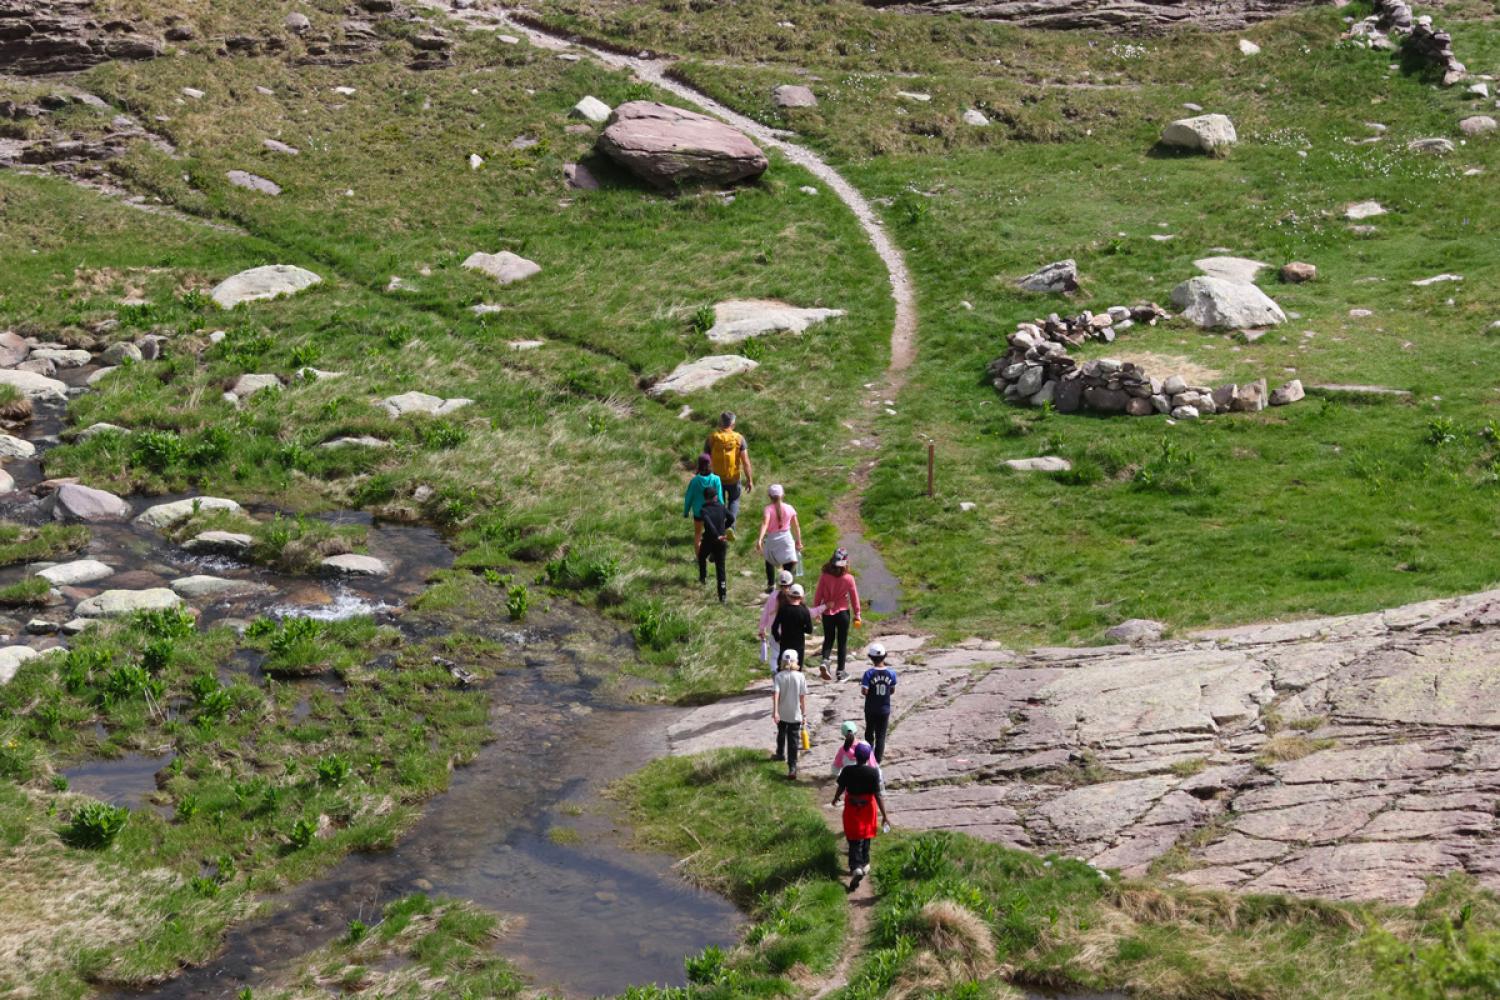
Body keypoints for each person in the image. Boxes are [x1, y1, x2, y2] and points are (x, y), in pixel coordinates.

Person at [832, 742, 888, 888]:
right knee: (866, 833)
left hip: (852, 806)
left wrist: (835, 798)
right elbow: (877, 794)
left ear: (855, 756)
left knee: (853, 835)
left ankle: (856, 866)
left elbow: (841, 787)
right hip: (867, 807)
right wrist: (885, 815)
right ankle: (865, 862)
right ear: (869, 756)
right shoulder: (873, 772)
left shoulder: (847, 770)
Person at [813, 547, 862, 680]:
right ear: (845, 563)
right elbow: (854, 597)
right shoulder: (849, 578)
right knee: (842, 642)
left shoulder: (824, 576)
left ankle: (825, 661)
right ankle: (840, 672)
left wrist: (817, 610)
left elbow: (818, 594)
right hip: (843, 613)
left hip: (827, 613)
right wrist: (857, 613)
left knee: (828, 639)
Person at [705, 411, 753, 525]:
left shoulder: (712, 438)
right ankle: (730, 526)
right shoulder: (739, 438)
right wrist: (749, 480)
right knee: (734, 500)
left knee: (719, 502)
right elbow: (745, 461)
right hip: (733, 478)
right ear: (733, 424)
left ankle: (720, 528)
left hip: (716, 478)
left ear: (720, 424)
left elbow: (705, 459)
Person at [755, 484, 803, 594]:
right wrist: (798, 541)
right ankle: (788, 587)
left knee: (769, 561)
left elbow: (765, 523)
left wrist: (760, 539)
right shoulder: (789, 508)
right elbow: (796, 526)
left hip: (772, 539)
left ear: (769, 496)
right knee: (789, 563)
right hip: (786, 538)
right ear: (783, 495)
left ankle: (771, 584)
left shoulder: (768, 509)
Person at [771, 649, 807, 779]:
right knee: (793, 740)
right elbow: (802, 697)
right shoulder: (800, 676)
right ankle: (792, 767)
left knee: (781, 732)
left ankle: (780, 753)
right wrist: (804, 714)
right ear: (796, 661)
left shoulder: (779, 676)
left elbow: (775, 695)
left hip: (782, 712)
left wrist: (775, 712)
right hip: (795, 714)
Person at [772, 583, 818, 681]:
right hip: (799, 644)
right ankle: (796, 686)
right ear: (801, 597)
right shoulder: (804, 611)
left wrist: (778, 639)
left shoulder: (783, 609)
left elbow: (774, 627)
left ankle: (780, 684)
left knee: (782, 663)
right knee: (797, 666)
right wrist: (801, 628)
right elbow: (809, 630)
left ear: (789, 596)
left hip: (785, 642)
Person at [861, 642, 897, 764]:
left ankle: (868, 757)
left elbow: (864, 691)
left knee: (869, 733)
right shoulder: (891, 673)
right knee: (881, 736)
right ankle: (877, 760)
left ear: (870, 657)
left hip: (871, 708)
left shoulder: (868, 673)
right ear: (885, 656)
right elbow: (892, 690)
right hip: (884, 709)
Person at [696, 486, 733, 603]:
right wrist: (723, 529)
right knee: (720, 569)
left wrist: (716, 534)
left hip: (709, 540)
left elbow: (709, 523)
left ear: (705, 498)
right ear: (715, 497)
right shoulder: (722, 507)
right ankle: (723, 596)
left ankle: (703, 577)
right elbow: (731, 518)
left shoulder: (704, 510)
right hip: (721, 541)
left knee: (702, 556)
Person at [682, 453, 724, 553]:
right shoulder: (716, 479)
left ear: (699, 465)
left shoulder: (694, 481)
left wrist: (686, 511)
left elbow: (689, 497)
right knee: (713, 533)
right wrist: (722, 510)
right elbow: (720, 497)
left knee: (698, 534)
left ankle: (699, 558)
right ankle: (714, 552)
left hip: (698, 512)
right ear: (710, 464)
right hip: (712, 511)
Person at [758, 568, 795, 672]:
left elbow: (765, 613)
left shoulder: (772, 596)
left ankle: (775, 674)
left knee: (775, 655)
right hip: (789, 632)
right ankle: (788, 676)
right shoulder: (793, 597)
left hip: (774, 632)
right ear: (791, 583)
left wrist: (762, 629)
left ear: (779, 584)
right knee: (789, 655)